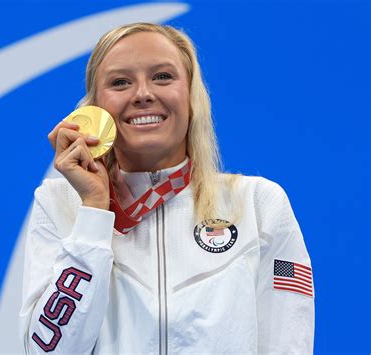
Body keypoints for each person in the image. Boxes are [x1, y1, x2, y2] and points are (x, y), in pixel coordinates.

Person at [19, 23, 315, 354]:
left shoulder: (258, 204)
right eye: (120, 82)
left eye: (162, 77)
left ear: (191, 97)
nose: (143, 93)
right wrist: (93, 211)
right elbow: (46, 351)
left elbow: (289, 343)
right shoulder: (59, 205)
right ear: (95, 107)